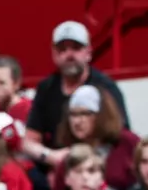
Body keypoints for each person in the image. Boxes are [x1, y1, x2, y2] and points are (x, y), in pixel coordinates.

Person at [24, 20, 128, 153]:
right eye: (63, 49)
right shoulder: (46, 88)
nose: (69, 55)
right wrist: (51, 157)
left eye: (76, 48)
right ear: (54, 53)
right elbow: (29, 141)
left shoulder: (106, 88)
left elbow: (122, 138)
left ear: (88, 52)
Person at [51, 83, 139, 190]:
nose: (77, 122)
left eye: (85, 114)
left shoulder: (127, 142)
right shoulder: (70, 157)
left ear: (101, 115)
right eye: (73, 115)